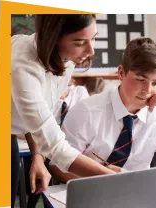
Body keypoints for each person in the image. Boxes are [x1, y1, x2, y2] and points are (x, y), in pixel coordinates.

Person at [48, 37, 156, 207]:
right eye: (140, 79)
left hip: (137, 198)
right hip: (89, 194)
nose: (147, 90)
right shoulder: (86, 111)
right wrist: (111, 181)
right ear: (121, 73)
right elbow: (57, 166)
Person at [11, 14, 117, 208]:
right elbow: (58, 148)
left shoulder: (66, 58)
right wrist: (118, 180)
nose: (90, 50)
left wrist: (38, 157)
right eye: (79, 42)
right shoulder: (23, 65)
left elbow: (40, 115)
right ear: (53, 37)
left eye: (93, 38)